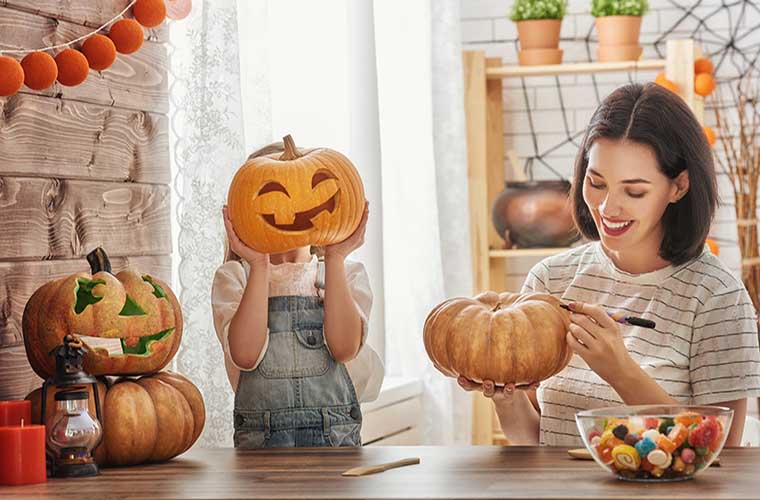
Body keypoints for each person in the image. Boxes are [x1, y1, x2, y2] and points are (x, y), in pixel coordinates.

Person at [457, 82, 760, 447]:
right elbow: (536, 439)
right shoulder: (551, 278)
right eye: (596, 182)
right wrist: (506, 396)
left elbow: (720, 454)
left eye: (634, 191)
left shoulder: (717, 298)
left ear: (679, 186)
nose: (607, 207)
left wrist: (620, 371)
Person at [212, 141, 384, 448]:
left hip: (336, 446)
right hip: (260, 453)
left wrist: (335, 257)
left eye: (305, 190)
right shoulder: (235, 277)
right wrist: (259, 262)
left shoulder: (346, 274)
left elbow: (344, 348)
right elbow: (246, 355)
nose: (289, 209)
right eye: (273, 199)